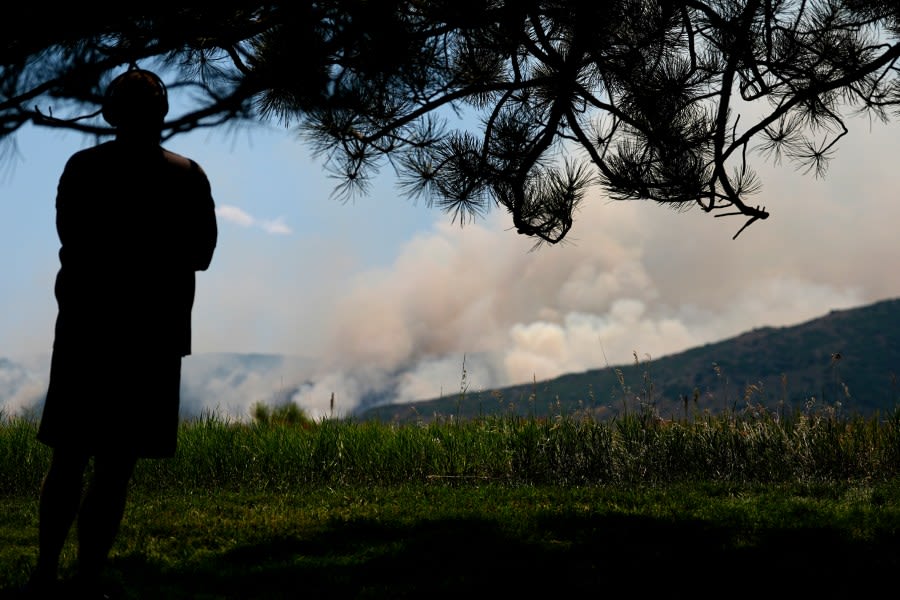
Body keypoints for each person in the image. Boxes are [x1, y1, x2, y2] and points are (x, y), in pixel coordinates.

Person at [24, 67, 218, 597]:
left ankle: (45, 571)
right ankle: (87, 578)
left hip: (87, 332)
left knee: (68, 456)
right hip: (153, 337)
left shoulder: (82, 169)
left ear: (110, 114)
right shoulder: (188, 175)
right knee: (115, 468)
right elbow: (200, 254)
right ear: (162, 114)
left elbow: (73, 239)